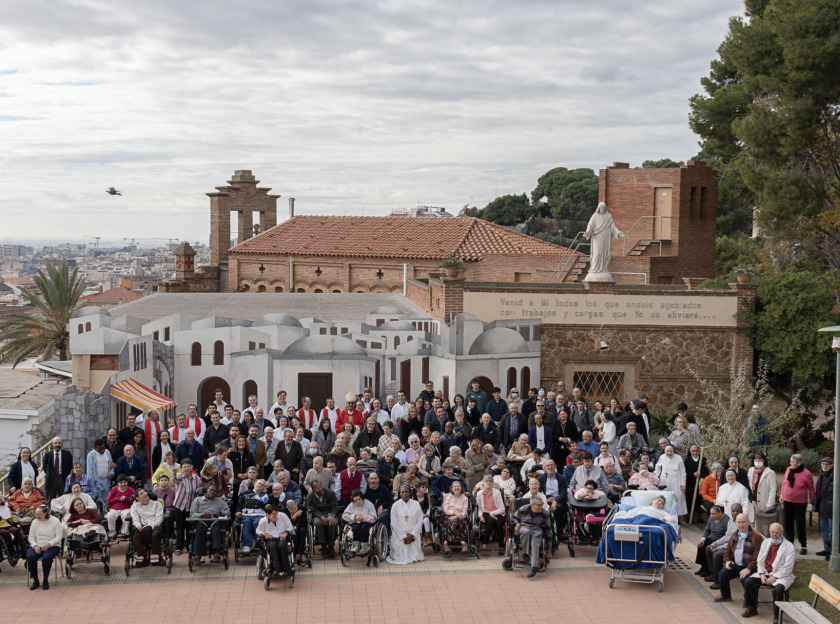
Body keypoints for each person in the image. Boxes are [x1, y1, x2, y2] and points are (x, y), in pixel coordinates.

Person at [742, 523, 795, 621]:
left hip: (781, 575)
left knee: (778, 589)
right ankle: (752, 608)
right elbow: (760, 561)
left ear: (782, 533)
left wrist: (774, 577)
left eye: (777, 533)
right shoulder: (766, 543)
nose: (774, 534)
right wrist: (762, 574)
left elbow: (788, 567)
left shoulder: (789, 546)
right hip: (766, 572)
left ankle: (776, 615)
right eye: (772, 532)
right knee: (749, 582)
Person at [713, 513, 765, 604]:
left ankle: (748, 598)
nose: (741, 525)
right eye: (739, 522)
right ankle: (726, 595)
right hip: (737, 565)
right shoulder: (734, 535)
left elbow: (757, 557)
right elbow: (727, 551)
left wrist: (749, 568)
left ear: (748, 523)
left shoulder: (756, 536)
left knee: (745, 580)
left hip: (751, 567)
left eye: (743, 522)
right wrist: (728, 561)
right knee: (723, 574)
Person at [780, 453, 815, 554]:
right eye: (790, 461)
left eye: (792, 462)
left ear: (799, 463)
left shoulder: (806, 473)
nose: (790, 463)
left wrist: (813, 502)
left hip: (800, 503)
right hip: (787, 501)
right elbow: (784, 483)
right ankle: (790, 543)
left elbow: (811, 489)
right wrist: (782, 495)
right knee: (788, 523)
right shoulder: (788, 470)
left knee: (800, 524)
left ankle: (803, 545)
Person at [189, 484, 229, 566]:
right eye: (211, 490)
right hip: (202, 520)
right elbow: (192, 514)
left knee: (217, 529)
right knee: (199, 531)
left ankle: (217, 553)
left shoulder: (219, 501)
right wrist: (201, 514)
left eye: (215, 492)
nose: (213, 493)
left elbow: (228, 513)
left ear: (217, 494)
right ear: (207, 490)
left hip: (214, 520)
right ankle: (197, 556)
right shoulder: (197, 500)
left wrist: (220, 512)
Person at [514, 497, 552, 578]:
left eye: (542, 504)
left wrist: (549, 550)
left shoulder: (545, 513)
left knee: (536, 542)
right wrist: (517, 523)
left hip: (537, 528)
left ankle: (534, 567)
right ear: (532, 505)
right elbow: (513, 517)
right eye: (539, 505)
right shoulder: (523, 509)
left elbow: (549, 531)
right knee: (526, 532)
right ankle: (526, 554)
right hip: (524, 526)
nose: (541, 507)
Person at [25, 505, 62, 590]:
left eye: (39, 514)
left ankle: (45, 580)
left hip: (53, 545)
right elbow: (31, 537)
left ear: (45, 513)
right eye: (36, 514)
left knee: (47, 558)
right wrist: (35, 546)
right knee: (30, 557)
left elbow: (59, 537)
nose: (37, 516)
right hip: (37, 544)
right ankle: (35, 580)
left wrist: (49, 543)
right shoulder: (35, 522)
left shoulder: (55, 521)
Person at [387, 484, 424, 564]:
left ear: (409, 493)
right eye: (402, 492)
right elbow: (394, 522)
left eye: (406, 492)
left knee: (414, 555)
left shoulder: (416, 504)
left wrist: (412, 534)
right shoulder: (395, 505)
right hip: (399, 533)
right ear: (400, 494)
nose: (404, 494)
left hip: (413, 532)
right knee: (400, 551)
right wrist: (403, 536)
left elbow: (420, 520)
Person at [172, 458, 202, 555]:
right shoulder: (179, 476)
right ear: (181, 468)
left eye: (188, 466)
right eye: (184, 467)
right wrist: (174, 473)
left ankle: (190, 546)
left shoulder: (196, 478)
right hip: (180, 505)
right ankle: (179, 547)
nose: (186, 468)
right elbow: (174, 479)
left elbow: (199, 490)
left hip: (191, 506)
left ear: (191, 467)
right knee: (180, 527)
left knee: (190, 527)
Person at [694, 504, 730, 577]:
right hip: (712, 538)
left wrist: (717, 544)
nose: (711, 515)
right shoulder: (711, 518)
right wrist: (703, 538)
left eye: (714, 514)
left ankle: (708, 570)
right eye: (711, 513)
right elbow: (707, 529)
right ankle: (703, 567)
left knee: (708, 549)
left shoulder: (727, 520)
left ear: (720, 513)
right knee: (701, 545)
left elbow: (727, 536)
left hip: (719, 541)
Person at [257, 504, 293, 575]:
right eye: (273, 514)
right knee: (272, 546)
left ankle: (286, 569)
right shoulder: (263, 520)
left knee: (282, 545)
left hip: (282, 537)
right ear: (267, 514)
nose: (276, 516)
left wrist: (286, 533)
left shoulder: (283, 516)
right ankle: (276, 569)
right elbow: (258, 530)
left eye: (276, 513)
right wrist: (264, 533)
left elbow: (290, 526)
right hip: (271, 539)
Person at [130, 488, 163, 567]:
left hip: (154, 524)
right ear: (137, 498)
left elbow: (159, 517)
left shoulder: (156, 503)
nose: (145, 493)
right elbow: (135, 518)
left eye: (144, 492)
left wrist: (156, 523)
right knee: (135, 535)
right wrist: (138, 526)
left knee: (155, 534)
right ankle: (144, 558)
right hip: (142, 525)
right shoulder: (135, 506)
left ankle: (159, 557)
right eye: (141, 493)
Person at [307, 479, 339, 556]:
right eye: (317, 488)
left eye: (321, 486)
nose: (320, 489)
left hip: (329, 513)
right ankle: (323, 546)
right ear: (313, 489)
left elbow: (335, 506)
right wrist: (321, 517)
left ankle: (331, 546)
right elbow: (312, 509)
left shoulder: (330, 493)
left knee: (333, 523)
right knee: (317, 523)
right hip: (318, 515)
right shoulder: (310, 497)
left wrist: (332, 515)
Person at [237, 479, 269, 553]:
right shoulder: (245, 494)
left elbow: (268, 507)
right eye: (259, 483)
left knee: (257, 522)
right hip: (246, 515)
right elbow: (239, 505)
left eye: (262, 485)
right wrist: (238, 511)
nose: (260, 485)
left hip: (260, 515)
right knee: (247, 522)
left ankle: (260, 542)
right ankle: (247, 545)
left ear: (264, 487)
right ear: (255, 484)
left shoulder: (266, 495)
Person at [654, 444, 687, 516]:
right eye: (667, 451)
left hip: (676, 481)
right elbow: (658, 468)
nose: (669, 453)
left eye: (671, 451)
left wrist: (683, 484)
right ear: (664, 451)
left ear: (674, 451)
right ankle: (663, 514)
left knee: (676, 498)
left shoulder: (678, 458)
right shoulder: (662, 457)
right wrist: (654, 478)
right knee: (664, 497)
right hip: (664, 481)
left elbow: (682, 471)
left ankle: (677, 516)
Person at [342, 489, 377, 555]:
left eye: (359, 499)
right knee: (355, 528)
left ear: (362, 498)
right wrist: (354, 517)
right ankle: (356, 545)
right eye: (355, 500)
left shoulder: (369, 504)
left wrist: (364, 518)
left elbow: (374, 518)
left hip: (367, 523)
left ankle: (365, 547)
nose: (357, 502)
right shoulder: (352, 505)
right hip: (356, 522)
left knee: (364, 528)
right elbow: (344, 516)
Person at [476, 476, 506, 553]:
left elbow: (502, 508)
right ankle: (484, 543)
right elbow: (479, 508)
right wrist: (480, 516)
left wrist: (492, 513)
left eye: (490, 481)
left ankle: (501, 545)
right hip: (485, 512)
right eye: (486, 481)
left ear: (492, 483)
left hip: (498, 512)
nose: (488, 482)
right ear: (483, 483)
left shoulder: (497, 492)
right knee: (490, 521)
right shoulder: (479, 494)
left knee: (499, 523)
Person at [747, 450, 777, 524]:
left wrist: (769, 504)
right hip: (753, 501)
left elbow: (773, 489)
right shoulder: (751, 471)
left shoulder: (770, 472)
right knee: (752, 521)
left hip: (764, 501)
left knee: (763, 523)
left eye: (760, 458)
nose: (757, 460)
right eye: (755, 459)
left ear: (764, 460)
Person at [441, 481, 469, 555]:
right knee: (450, 522)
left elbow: (465, 511)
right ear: (452, 489)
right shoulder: (448, 497)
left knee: (454, 523)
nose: (457, 488)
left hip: (461, 517)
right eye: (455, 486)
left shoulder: (464, 498)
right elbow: (446, 509)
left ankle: (445, 543)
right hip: (448, 515)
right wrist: (454, 513)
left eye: (458, 486)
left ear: (461, 488)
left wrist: (456, 516)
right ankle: (463, 542)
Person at [0, 492, 27, 564]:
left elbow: (12, 519)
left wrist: (18, 525)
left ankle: (24, 549)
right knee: (6, 533)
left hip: (8, 525)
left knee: (15, 530)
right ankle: (12, 552)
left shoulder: (6, 508)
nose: (3, 497)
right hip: (0, 528)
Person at [815, 457, 834, 559]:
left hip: (832, 508)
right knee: (824, 528)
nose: (825, 466)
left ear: (832, 465)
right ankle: (826, 549)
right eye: (823, 464)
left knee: (832, 530)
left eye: (827, 464)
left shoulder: (835, 476)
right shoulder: (821, 475)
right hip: (822, 507)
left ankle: (832, 551)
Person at [684, 444, 708, 516]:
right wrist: (693, 474)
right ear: (690, 452)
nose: (695, 453)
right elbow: (684, 473)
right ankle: (690, 516)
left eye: (696, 451)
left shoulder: (703, 460)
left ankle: (699, 517)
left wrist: (702, 477)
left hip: (700, 483)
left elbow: (706, 471)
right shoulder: (687, 461)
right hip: (690, 483)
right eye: (693, 451)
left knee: (699, 499)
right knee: (690, 499)